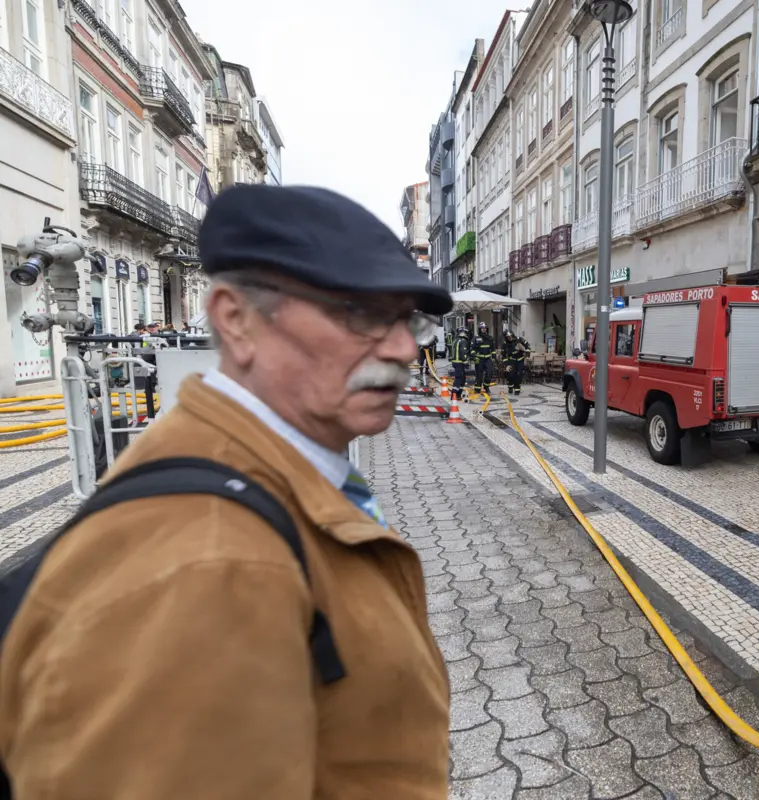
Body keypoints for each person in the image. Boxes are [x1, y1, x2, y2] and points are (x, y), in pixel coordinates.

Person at [0, 184, 453, 798]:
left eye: (409, 320)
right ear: (236, 321)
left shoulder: (272, 472)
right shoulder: (209, 564)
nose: (402, 348)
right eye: (362, 313)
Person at [502, 330, 528, 397]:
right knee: (510, 374)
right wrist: (506, 365)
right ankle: (510, 386)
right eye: (508, 337)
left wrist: (524, 350)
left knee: (519, 374)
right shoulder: (505, 344)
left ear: (512, 334)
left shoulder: (519, 339)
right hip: (511, 360)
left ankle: (517, 389)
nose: (509, 338)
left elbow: (528, 346)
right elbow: (503, 355)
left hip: (520, 360)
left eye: (510, 336)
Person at [448, 327, 471, 400]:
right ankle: (454, 394)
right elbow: (463, 352)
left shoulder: (455, 340)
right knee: (458, 379)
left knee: (462, 379)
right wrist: (466, 362)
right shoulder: (463, 341)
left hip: (455, 363)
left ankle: (458, 394)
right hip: (460, 363)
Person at [473, 322, 495, 397]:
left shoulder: (490, 338)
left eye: (485, 328)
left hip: (488, 359)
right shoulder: (476, 338)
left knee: (489, 373)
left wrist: (494, 357)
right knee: (479, 375)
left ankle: (486, 386)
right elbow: (472, 349)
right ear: (480, 329)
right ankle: (477, 389)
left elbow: (493, 349)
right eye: (482, 328)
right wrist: (475, 357)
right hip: (479, 359)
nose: (484, 329)